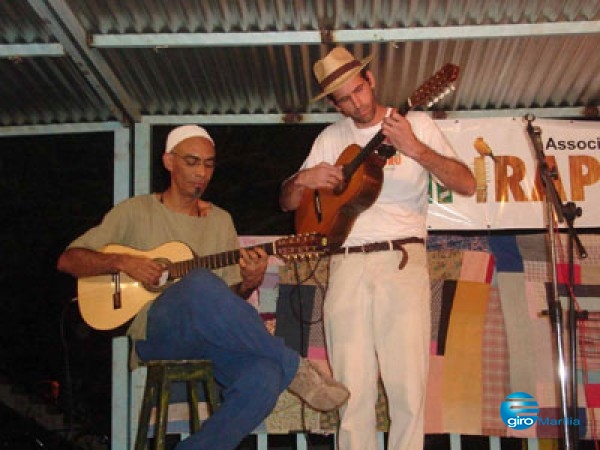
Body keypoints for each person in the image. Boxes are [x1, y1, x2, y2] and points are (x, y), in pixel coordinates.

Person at [57, 125, 350, 450]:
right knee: (197, 282)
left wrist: (249, 281)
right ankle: (296, 368)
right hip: (157, 333)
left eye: (209, 164)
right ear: (169, 161)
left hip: (210, 340)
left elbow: (223, 300)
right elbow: (69, 260)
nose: (202, 173)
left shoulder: (220, 220)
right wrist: (123, 262)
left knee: (264, 375)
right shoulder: (136, 211)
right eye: (192, 162)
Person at [279, 47, 476, 450]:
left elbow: (467, 183)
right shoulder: (331, 137)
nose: (357, 103)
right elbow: (287, 203)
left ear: (371, 80)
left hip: (400, 260)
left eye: (359, 90)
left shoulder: (415, 122)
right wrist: (303, 179)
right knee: (352, 390)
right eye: (345, 100)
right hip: (345, 265)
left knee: (407, 386)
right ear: (334, 104)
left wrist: (415, 149)